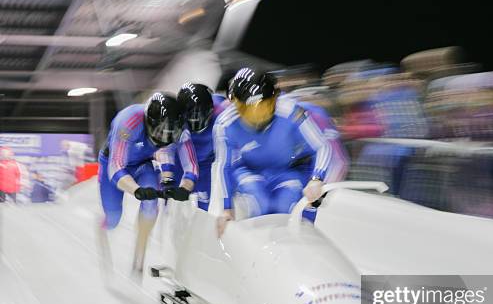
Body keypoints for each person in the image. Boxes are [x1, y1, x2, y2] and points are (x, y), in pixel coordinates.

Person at [214, 68, 332, 235]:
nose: (257, 117)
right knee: (259, 203)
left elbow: (322, 146)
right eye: (248, 109)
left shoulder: (291, 111)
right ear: (236, 104)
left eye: (264, 107)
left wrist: (316, 179)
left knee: (286, 206)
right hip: (249, 170)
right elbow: (223, 166)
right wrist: (226, 208)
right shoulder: (224, 124)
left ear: (275, 99)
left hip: (286, 170)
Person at [98, 92, 187, 277]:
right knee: (114, 217)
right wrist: (136, 190)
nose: (164, 137)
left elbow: (167, 153)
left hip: (142, 165)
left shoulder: (174, 129)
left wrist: (168, 180)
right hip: (113, 163)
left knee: (152, 203)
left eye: (169, 133)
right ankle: (103, 227)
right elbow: (116, 167)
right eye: (160, 131)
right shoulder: (128, 122)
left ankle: (140, 254)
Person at [156, 82, 226, 210]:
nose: (195, 120)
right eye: (191, 116)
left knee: (203, 205)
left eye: (200, 115)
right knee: (168, 200)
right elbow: (167, 147)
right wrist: (167, 176)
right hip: (180, 161)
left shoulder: (223, 111)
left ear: (211, 110)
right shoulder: (175, 118)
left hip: (204, 164)